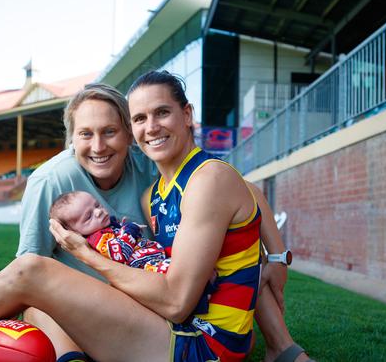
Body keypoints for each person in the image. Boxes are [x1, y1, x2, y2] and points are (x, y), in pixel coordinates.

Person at [0, 72, 272, 362]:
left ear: (187, 115)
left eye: (162, 113)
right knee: (33, 291)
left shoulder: (199, 178)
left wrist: (278, 263)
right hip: (178, 325)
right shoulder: (160, 184)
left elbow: (175, 302)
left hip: (199, 344)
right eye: (141, 119)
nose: (151, 128)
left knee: (32, 273)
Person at [16, 82, 310, 361]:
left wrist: (277, 257)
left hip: (182, 311)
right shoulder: (55, 180)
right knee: (33, 303)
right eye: (142, 118)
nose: (98, 146)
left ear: (126, 135)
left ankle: (282, 345)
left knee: (232, 241)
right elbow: (33, 267)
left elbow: (247, 191)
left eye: (110, 131)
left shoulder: (158, 163)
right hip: (145, 296)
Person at [50, 190, 169, 273]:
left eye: (97, 205)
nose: (98, 212)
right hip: (144, 268)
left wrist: (123, 227)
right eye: (88, 217)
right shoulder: (97, 239)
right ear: (76, 233)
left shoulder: (108, 226)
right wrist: (130, 230)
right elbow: (119, 254)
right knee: (172, 270)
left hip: (155, 254)